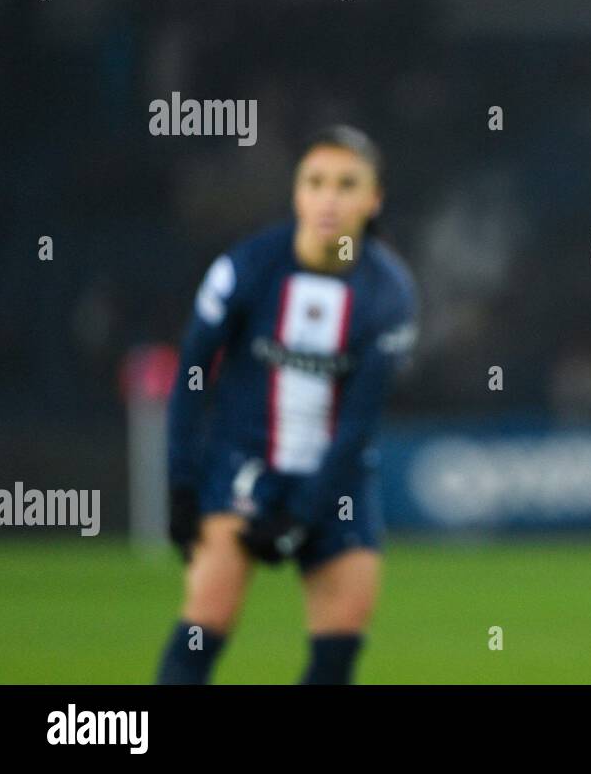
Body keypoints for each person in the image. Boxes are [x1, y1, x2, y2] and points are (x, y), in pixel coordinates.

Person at [156, 125, 418, 684]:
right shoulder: (246, 269)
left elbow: (357, 425)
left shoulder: (389, 294)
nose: (329, 198)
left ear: (374, 201)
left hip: (337, 478)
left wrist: (301, 515)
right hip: (244, 463)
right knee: (205, 624)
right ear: (297, 193)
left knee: (338, 650)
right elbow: (193, 373)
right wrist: (181, 482)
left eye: (348, 185)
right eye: (316, 182)